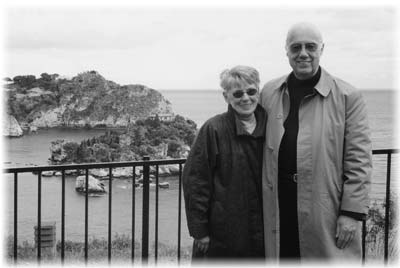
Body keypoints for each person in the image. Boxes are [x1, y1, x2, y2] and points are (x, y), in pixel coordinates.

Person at [260, 22, 372, 261]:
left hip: (324, 208)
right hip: (279, 206)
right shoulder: (269, 92)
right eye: (295, 47)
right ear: (287, 51)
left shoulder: (347, 97)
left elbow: (359, 160)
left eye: (310, 46)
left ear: (322, 49)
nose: (303, 53)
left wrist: (351, 213)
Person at [182, 66, 266, 261]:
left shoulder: (271, 126)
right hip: (222, 234)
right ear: (226, 97)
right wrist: (199, 230)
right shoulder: (213, 129)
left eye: (251, 91)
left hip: (260, 233)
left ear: (258, 92)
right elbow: (195, 181)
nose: (245, 98)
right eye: (237, 93)